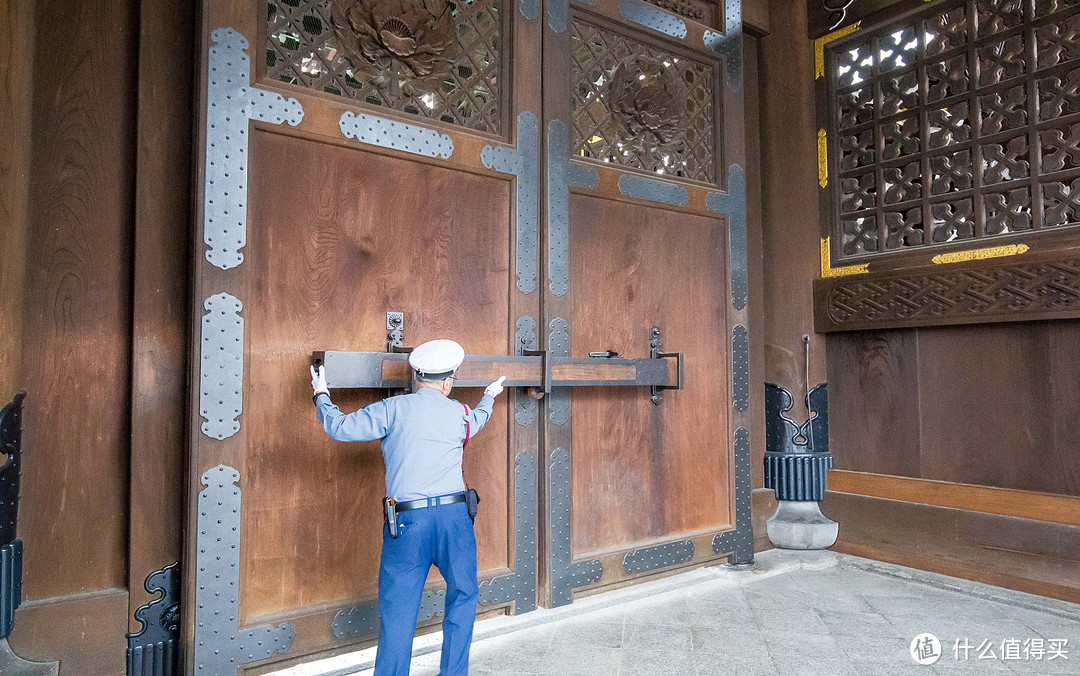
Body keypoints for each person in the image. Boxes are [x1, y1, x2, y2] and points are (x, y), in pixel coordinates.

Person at [309, 338, 507, 676]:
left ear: (417, 377)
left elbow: (339, 428)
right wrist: (489, 395)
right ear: (447, 382)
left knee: (398, 611)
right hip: (454, 519)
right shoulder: (459, 412)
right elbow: (478, 419)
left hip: (408, 521)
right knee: (464, 596)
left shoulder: (392, 409)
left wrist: (321, 394)